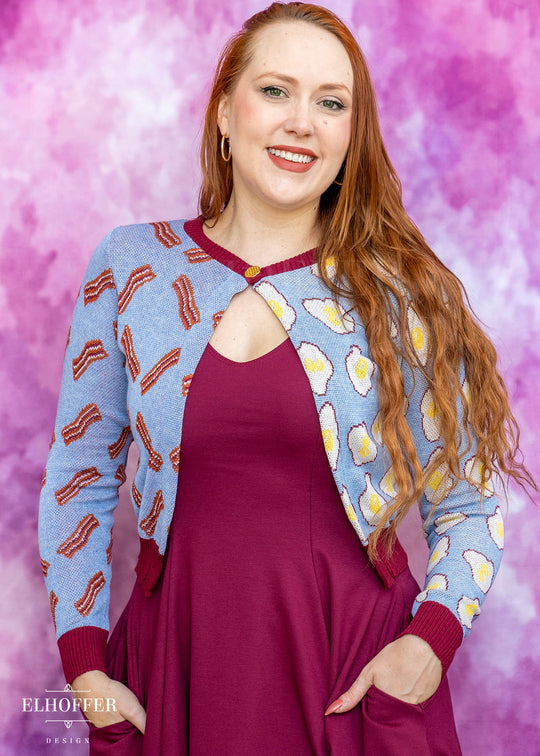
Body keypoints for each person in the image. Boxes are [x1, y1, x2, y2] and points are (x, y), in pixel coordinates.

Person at [38, 2, 532, 754]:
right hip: (176, 667)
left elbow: (468, 494)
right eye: (276, 91)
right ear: (224, 111)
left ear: (351, 135)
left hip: (353, 677)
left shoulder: (400, 291)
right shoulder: (133, 267)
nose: (302, 122)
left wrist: (429, 641)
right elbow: (80, 472)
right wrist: (85, 666)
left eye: (331, 103)